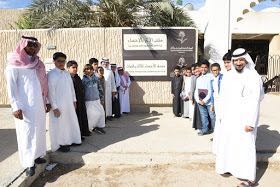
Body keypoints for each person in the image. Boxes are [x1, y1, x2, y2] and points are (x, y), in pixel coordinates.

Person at [215, 48, 264, 187]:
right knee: (230, 144)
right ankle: (231, 168)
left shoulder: (253, 77)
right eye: (235, 60)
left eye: (241, 60)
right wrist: (221, 115)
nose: (238, 63)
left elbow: (256, 100)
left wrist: (251, 122)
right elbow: (222, 98)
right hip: (229, 118)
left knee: (246, 147)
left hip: (245, 120)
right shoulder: (228, 76)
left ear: (246, 60)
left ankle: (250, 179)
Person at [5, 36, 49, 176]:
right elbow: (11, 87)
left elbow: (43, 84)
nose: (33, 48)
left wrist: (46, 101)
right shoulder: (13, 64)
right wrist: (15, 106)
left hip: (39, 103)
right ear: (23, 46)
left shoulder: (37, 63)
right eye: (30, 45)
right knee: (27, 133)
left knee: (39, 130)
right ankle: (28, 163)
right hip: (24, 107)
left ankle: (37, 156)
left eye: (35, 45)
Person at [48, 52, 81, 153]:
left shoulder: (66, 73)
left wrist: (74, 100)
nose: (61, 63)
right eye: (59, 61)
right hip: (58, 105)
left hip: (69, 103)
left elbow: (71, 89)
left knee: (70, 122)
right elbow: (50, 92)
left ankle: (72, 139)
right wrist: (54, 107)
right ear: (54, 61)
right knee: (60, 125)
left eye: (63, 61)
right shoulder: (51, 74)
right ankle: (61, 144)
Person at [67, 60, 91, 139]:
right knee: (75, 119)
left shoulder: (77, 77)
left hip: (80, 101)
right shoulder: (67, 78)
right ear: (68, 68)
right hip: (72, 102)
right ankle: (76, 136)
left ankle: (82, 133)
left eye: (76, 67)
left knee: (81, 117)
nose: (75, 69)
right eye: (73, 67)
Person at [82, 64, 106, 134]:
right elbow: (82, 91)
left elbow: (100, 89)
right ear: (84, 71)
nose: (89, 71)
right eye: (87, 69)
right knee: (91, 115)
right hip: (88, 101)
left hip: (97, 99)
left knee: (101, 113)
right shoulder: (83, 80)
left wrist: (101, 99)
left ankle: (99, 127)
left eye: (90, 69)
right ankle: (89, 128)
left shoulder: (96, 79)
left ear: (93, 70)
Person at [194, 60, 215, 135]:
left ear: (208, 68)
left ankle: (214, 130)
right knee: (203, 116)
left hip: (209, 102)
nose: (203, 69)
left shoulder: (211, 77)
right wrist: (197, 99)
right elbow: (196, 90)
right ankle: (205, 129)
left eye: (205, 67)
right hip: (200, 101)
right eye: (202, 67)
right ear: (199, 68)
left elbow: (211, 90)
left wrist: (205, 100)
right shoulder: (198, 78)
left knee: (212, 116)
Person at [210, 63, 223, 154]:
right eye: (214, 70)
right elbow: (212, 93)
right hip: (216, 102)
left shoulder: (223, 78)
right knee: (217, 119)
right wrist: (212, 104)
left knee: (221, 119)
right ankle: (218, 137)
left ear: (219, 69)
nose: (215, 72)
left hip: (222, 102)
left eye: (217, 70)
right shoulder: (211, 80)